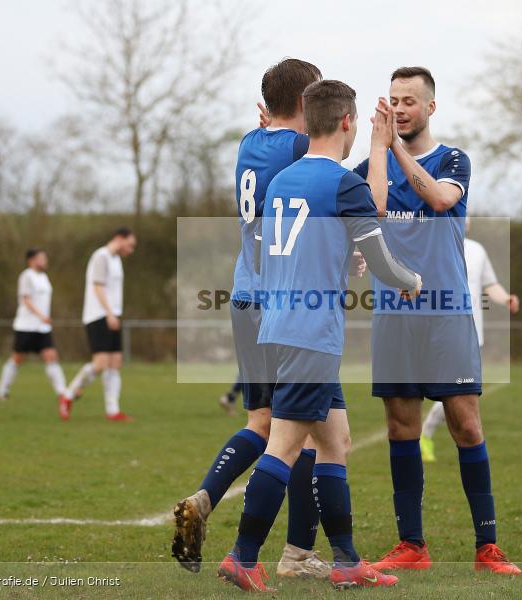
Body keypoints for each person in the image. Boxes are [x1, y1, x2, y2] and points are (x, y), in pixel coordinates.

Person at [217, 79, 418, 592]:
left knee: (336, 441)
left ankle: (348, 562)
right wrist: (411, 281)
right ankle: (242, 557)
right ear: (348, 122)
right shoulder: (341, 183)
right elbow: (381, 263)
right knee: (283, 447)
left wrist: (330, 259)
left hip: (277, 328)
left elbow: (264, 255)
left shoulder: (283, 179)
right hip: (311, 334)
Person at [173, 59, 342, 580]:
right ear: (310, 99)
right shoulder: (298, 148)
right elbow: (334, 164)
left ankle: (206, 496)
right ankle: (296, 553)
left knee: (263, 423)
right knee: (305, 432)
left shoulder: (250, 142)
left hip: (244, 295)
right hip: (285, 302)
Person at [351, 67, 521, 575]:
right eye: (393, 100)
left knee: (465, 425)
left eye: (409, 101)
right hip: (393, 314)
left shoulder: (453, 160)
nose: (399, 108)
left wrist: (395, 150)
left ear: (430, 107)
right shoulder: (369, 167)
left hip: (446, 311)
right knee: (400, 428)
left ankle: (487, 547)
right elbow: (365, 216)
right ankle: (412, 545)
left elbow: (441, 199)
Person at [419, 218, 519, 462]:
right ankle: (425, 433)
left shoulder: (477, 250)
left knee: (461, 392)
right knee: (454, 391)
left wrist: (505, 298)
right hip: (440, 330)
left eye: (465, 216)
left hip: (473, 333)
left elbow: (490, 284)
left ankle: (426, 433)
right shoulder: (430, 246)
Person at [59, 227, 136, 421]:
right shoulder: (101, 256)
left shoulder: (116, 260)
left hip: (113, 315)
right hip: (98, 315)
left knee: (115, 362)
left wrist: (114, 314)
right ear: (119, 238)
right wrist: (109, 313)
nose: (131, 249)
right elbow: (98, 286)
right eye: (130, 244)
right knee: (100, 363)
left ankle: (113, 411)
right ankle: (68, 396)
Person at [0, 249, 68, 403]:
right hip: (26, 326)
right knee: (17, 359)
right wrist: (42, 316)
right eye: (41, 258)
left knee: (51, 356)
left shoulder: (44, 277)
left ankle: (63, 392)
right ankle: (3, 390)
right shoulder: (26, 276)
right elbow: (26, 300)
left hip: (42, 328)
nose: (45, 261)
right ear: (31, 260)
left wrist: (43, 319)